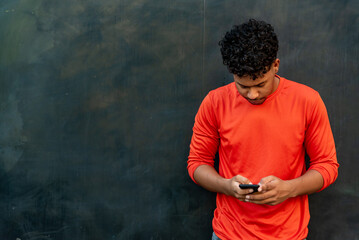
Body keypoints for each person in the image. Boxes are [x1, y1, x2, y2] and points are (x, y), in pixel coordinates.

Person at [187, 19, 339, 240]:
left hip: (289, 235)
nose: (253, 95)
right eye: (243, 86)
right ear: (232, 73)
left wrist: (288, 189)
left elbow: (327, 166)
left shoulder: (308, 101)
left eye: (260, 84)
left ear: (275, 65)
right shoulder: (214, 102)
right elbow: (197, 163)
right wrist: (227, 186)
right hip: (228, 234)